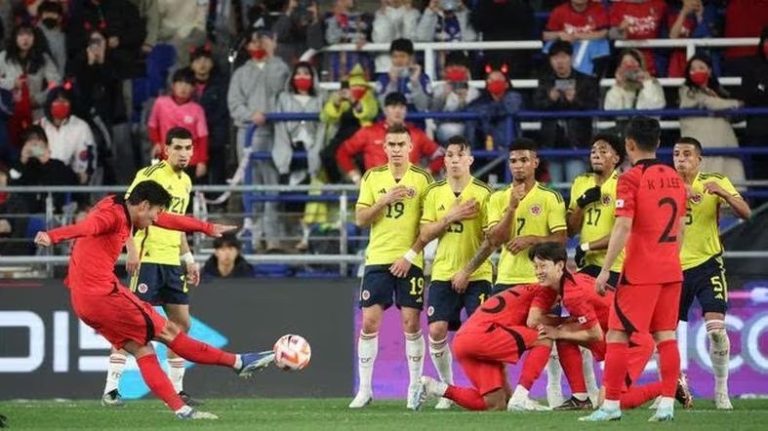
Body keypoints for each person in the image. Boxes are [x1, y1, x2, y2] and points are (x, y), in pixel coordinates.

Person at [34, 180, 274, 420]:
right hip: (104, 295)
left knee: (142, 348)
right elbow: (88, 226)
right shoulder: (112, 216)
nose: (157, 218)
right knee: (170, 332)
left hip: (83, 301)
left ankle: (182, 410)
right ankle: (237, 363)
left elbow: (168, 220)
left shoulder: (120, 206)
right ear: (144, 205)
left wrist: (205, 227)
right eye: (156, 211)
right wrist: (52, 236)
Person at [580, 117, 687, 422]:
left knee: (616, 335)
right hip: (671, 270)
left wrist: (605, 270)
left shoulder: (629, 179)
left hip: (640, 272)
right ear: (659, 143)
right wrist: (670, 258)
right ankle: (667, 404)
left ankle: (611, 405)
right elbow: (680, 228)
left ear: (628, 145)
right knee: (665, 336)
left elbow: (623, 225)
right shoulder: (676, 177)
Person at [452, 137, 567, 408]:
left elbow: (561, 239)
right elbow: (496, 239)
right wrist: (512, 208)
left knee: (545, 336)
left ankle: (552, 391)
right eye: (514, 161)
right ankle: (510, 397)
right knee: (498, 345)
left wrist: (531, 240)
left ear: (535, 162)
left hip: (540, 281)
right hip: (505, 281)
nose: (518, 166)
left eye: (524, 160)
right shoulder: (499, 197)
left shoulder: (550, 197)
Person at [100, 127, 202, 408]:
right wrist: (130, 248)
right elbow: (125, 211)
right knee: (130, 324)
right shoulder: (150, 175)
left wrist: (189, 259)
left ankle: (178, 389)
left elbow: (178, 224)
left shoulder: (186, 183)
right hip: (147, 259)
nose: (183, 153)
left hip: (172, 262)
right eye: (178, 148)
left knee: (182, 324)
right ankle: (111, 389)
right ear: (165, 149)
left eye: (188, 148)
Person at [533, 242, 685, 412]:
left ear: (560, 265)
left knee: (608, 402)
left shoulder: (573, 294)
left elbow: (595, 334)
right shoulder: (573, 280)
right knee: (564, 333)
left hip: (634, 344)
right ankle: (580, 398)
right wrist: (559, 330)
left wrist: (557, 331)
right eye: (536, 267)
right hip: (615, 336)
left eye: (543, 266)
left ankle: (670, 386)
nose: (538, 272)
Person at [412, 244, 560, 411]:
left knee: (496, 404)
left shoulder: (521, 292)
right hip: (482, 336)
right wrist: (564, 323)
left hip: (465, 341)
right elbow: (533, 322)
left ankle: (435, 387)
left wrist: (510, 398)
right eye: (537, 267)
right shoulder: (546, 290)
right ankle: (522, 395)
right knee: (544, 336)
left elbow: (502, 354)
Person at [349, 123, 434, 410]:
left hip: (409, 261)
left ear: (411, 147)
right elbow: (360, 219)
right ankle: (364, 390)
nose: (396, 149)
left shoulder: (423, 179)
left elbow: (429, 223)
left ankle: (413, 388)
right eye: (391, 145)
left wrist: (410, 255)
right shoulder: (373, 177)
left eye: (401, 144)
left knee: (411, 323)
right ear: (383, 148)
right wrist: (383, 200)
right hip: (377, 259)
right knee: (370, 323)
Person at [673, 136, 751, 410]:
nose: (681, 159)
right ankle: (671, 388)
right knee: (665, 335)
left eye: (686, 154)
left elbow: (746, 213)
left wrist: (724, 193)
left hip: (708, 264)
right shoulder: (665, 184)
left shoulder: (714, 180)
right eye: (676, 154)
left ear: (699, 159)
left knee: (716, 331)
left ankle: (721, 391)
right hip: (672, 267)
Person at [416, 136, 493, 410]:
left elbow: (491, 240)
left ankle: (487, 390)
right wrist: (450, 216)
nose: (455, 160)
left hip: (477, 274)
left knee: (480, 335)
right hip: (442, 272)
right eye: (450, 155)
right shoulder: (434, 192)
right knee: (436, 330)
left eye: (461, 155)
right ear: (444, 160)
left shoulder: (484, 193)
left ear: (470, 160)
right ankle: (447, 390)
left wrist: (467, 270)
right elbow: (424, 234)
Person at [227, 24, 289, 252]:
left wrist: (272, 57)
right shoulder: (241, 72)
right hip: (248, 134)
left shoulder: (280, 67)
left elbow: (281, 88)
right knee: (251, 188)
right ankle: (252, 237)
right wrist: (250, 115)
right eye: (255, 41)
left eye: (263, 40)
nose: (259, 45)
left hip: (274, 132)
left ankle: (272, 239)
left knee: (271, 188)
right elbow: (234, 104)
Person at [336, 92, 443, 185]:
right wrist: (355, 177)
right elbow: (343, 152)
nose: (397, 111)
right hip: (376, 190)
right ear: (385, 110)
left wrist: (427, 172)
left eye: (401, 107)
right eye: (393, 107)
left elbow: (441, 155)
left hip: (408, 192)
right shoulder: (369, 132)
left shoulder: (416, 134)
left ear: (406, 110)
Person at [533, 40, 598, 184]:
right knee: (554, 191)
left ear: (571, 58)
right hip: (552, 144)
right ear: (550, 60)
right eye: (556, 58)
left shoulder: (586, 81)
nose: (559, 61)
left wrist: (575, 99)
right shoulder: (545, 82)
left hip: (577, 144)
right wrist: (550, 99)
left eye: (563, 57)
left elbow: (593, 106)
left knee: (574, 189)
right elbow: (536, 105)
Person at [679, 54, 746, 186]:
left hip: (724, 145)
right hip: (702, 146)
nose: (696, 71)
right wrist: (735, 103)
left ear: (709, 71)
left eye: (701, 67)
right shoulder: (686, 91)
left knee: (730, 187)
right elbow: (709, 103)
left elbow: (734, 115)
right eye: (692, 68)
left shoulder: (720, 92)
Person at [567, 134, 625, 284]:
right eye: (593, 152)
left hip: (614, 267)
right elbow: (571, 230)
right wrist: (581, 203)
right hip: (586, 265)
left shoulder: (622, 185)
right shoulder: (580, 183)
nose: (596, 155)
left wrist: (586, 247)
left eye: (603, 151)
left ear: (616, 158)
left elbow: (622, 232)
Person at [0, 21, 61, 145]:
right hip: (9, 112)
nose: (25, 38)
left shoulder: (43, 58)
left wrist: (40, 98)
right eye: (21, 35)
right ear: (15, 37)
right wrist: (11, 83)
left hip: (36, 112)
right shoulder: (3, 56)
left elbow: (56, 82)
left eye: (29, 34)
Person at [148, 68, 209, 183]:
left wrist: (202, 162)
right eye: (180, 83)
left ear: (193, 88)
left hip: (190, 161)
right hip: (166, 159)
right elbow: (152, 125)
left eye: (188, 84)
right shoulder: (160, 103)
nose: (183, 88)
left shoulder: (197, 110)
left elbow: (203, 138)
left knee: (185, 197)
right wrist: (156, 142)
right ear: (173, 85)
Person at [38, 84, 97, 185]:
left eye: (64, 101)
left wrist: (80, 177)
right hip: (43, 181)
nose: (61, 104)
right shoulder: (39, 125)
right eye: (57, 101)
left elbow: (85, 157)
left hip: (71, 182)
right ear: (49, 103)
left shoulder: (80, 126)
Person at [464, 64, 523, 151]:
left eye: (498, 79)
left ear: (506, 84)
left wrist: (488, 112)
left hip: (508, 147)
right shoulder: (480, 101)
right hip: (485, 144)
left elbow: (511, 107)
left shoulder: (513, 96)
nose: (495, 82)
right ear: (487, 85)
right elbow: (471, 109)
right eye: (491, 80)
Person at [375, 38, 431, 115]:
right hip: (391, 125)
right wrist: (392, 83)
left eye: (402, 56)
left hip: (416, 124)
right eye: (395, 57)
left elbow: (423, 107)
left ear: (411, 57)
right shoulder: (383, 78)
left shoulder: (422, 77)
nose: (398, 60)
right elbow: (383, 107)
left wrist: (415, 82)